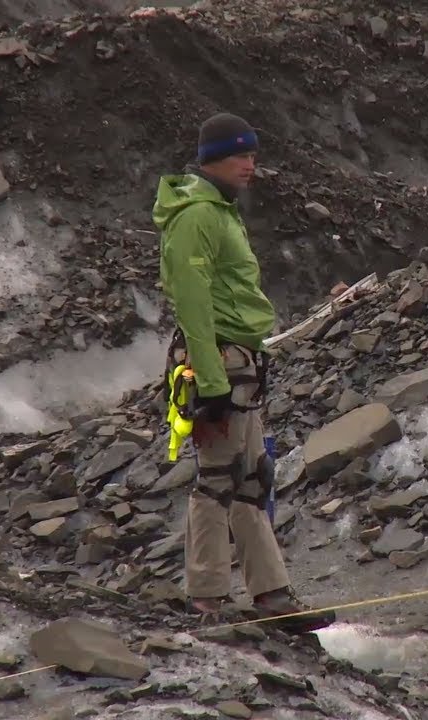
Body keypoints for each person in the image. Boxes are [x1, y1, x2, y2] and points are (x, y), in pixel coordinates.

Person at [154, 112, 334, 631]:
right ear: (213, 158)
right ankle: (207, 598)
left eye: (254, 155)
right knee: (216, 480)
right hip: (219, 364)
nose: (251, 165)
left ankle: (271, 594)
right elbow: (193, 306)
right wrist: (209, 387)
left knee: (253, 478)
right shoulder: (197, 216)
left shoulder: (220, 209)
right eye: (241, 155)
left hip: (241, 362)